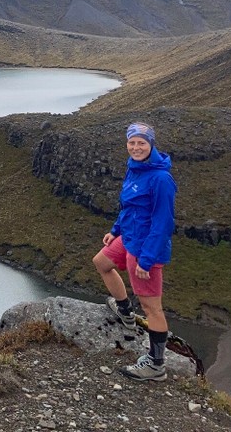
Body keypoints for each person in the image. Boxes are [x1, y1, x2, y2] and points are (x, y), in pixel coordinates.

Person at [92, 121, 177, 381]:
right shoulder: (135, 168)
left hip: (145, 249)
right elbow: (129, 206)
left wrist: (147, 259)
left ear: (151, 144)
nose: (136, 147)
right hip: (129, 237)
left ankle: (156, 364)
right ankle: (125, 312)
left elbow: (163, 223)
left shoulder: (161, 178)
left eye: (142, 142)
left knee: (152, 308)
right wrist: (115, 230)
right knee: (101, 262)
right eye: (132, 142)